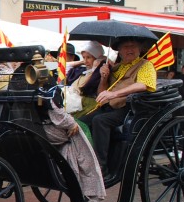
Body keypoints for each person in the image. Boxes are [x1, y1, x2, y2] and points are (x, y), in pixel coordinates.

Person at [79, 38, 157, 178]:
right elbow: (101, 93)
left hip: (130, 108)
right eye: (125, 47)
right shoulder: (117, 67)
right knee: (80, 122)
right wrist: (103, 77)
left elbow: (143, 85)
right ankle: (82, 159)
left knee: (100, 121)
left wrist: (114, 93)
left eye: (133, 46)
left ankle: (101, 167)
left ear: (139, 49)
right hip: (111, 106)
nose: (129, 49)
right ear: (119, 51)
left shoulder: (145, 65)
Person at [64, 40, 106, 117]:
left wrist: (95, 67)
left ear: (96, 58)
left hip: (85, 105)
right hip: (70, 101)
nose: (85, 61)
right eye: (83, 57)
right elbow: (65, 66)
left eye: (88, 57)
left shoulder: (99, 73)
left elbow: (85, 86)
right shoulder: (82, 70)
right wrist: (82, 61)